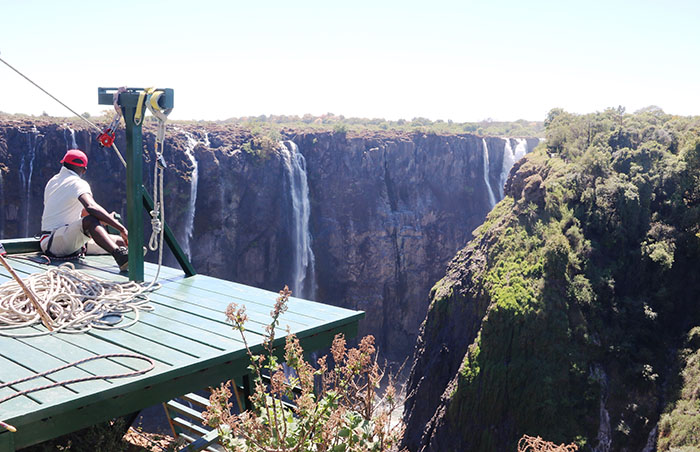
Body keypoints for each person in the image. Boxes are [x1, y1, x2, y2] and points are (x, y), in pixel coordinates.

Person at [40, 149, 130, 271]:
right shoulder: (77, 183)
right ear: (84, 170)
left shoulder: (53, 181)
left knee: (119, 242)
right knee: (91, 220)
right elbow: (91, 208)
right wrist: (121, 228)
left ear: (63, 164)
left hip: (58, 240)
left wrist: (105, 218)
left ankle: (130, 253)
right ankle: (121, 258)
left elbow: (82, 212)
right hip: (55, 243)